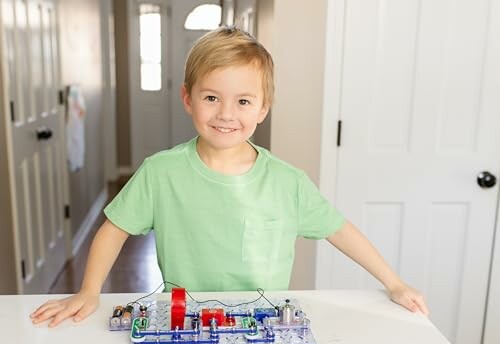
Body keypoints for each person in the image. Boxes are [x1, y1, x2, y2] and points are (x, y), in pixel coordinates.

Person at [31, 27, 429, 328]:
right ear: (188, 98)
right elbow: (113, 229)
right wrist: (89, 290)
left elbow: (340, 230)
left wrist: (393, 283)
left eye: (243, 101)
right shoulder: (160, 172)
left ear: (263, 108)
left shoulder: (288, 182)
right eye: (211, 98)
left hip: (263, 325)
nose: (226, 114)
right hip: (185, 324)